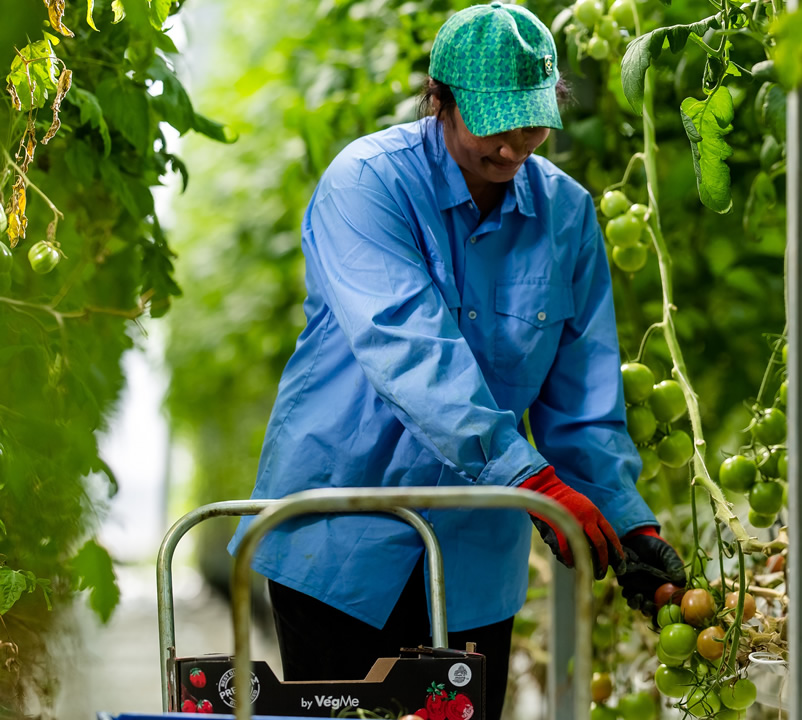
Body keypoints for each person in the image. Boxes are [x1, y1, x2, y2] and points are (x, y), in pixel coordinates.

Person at [226, 3, 685, 717]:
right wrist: (530, 476)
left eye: (530, 122)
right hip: (342, 540)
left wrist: (629, 524)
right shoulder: (368, 184)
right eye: (493, 124)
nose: (512, 146)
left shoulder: (566, 217)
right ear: (439, 101)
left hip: (474, 557)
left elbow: (583, 399)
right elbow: (407, 348)